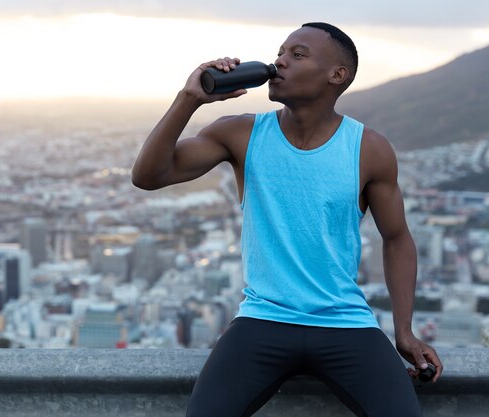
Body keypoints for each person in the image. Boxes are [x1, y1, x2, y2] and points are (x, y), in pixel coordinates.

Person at [131, 22, 443, 417]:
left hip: (345, 323)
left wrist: (404, 332)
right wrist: (189, 99)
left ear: (337, 75)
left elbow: (397, 239)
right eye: (280, 52)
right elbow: (148, 176)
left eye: (297, 55)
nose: (279, 61)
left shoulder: (369, 149)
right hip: (263, 319)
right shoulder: (241, 134)